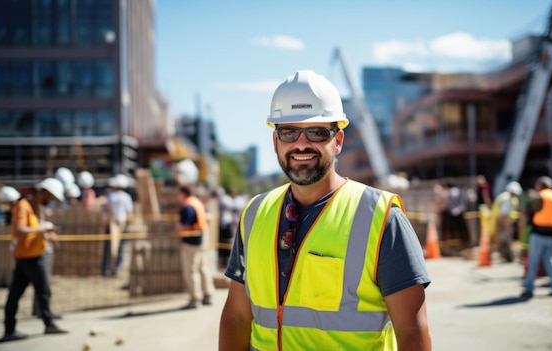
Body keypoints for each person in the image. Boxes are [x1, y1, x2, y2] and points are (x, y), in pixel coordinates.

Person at [219, 70, 431, 350]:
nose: (301, 144)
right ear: (275, 142)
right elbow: (236, 316)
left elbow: (412, 333)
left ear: (338, 140)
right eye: (289, 132)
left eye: (317, 132)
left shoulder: (381, 218)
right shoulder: (255, 213)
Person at [0, 179, 68, 343]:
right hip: (29, 257)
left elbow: (34, 228)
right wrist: (42, 228)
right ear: (43, 193)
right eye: (49, 197)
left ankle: (10, 329)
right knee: (42, 291)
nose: (50, 201)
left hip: (31, 255)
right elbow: (20, 230)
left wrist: (47, 230)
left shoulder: (35, 208)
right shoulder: (23, 206)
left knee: (17, 293)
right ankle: (48, 323)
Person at [521, 176, 552, 298]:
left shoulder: (539, 196)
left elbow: (529, 212)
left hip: (538, 232)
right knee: (550, 259)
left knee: (533, 261)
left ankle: (529, 287)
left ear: (540, 185)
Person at [175, 185, 215, 309]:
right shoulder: (197, 202)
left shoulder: (188, 206)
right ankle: (207, 294)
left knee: (192, 270)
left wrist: (178, 227)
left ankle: (194, 298)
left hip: (192, 241)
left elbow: (185, 224)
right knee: (203, 267)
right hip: (202, 238)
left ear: (183, 193)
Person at [101, 174, 133, 276]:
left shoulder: (111, 196)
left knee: (108, 248)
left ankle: (106, 268)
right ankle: (116, 267)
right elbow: (129, 212)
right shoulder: (126, 197)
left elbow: (106, 208)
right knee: (120, 247)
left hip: (112, 224)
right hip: (120, 224)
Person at [490, 181, 522, 263]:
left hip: (501, 221)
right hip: (502, 222)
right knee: (504, 239)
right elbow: (504, 216)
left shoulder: (505, 197)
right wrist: (509, 227)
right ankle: (507, 257)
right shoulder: (506, 199)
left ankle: (505, 257)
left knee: (503, 239)